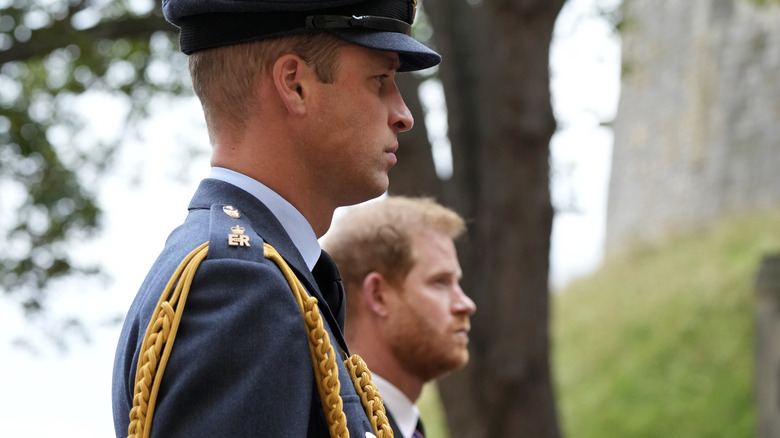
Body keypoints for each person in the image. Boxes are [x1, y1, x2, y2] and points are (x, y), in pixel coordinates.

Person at [111, 0, 441, 436]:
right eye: (380, 79)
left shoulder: (273, 275)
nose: (403, 114)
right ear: (295, 84)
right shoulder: (238, 286)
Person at [320, 196, 477, 438]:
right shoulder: (331, 425)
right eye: (439, 282)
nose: (466, 304)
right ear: (379, 295)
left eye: (457, 282)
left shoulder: (402, 426)